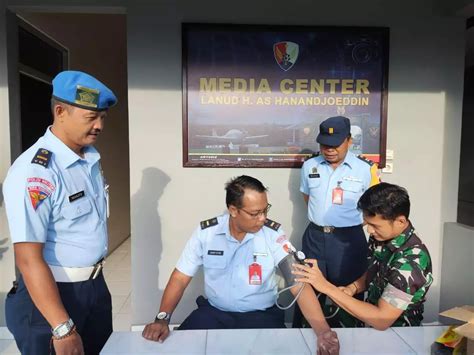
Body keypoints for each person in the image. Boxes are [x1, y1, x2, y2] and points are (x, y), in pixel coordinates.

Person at [142, 175, 339, 354]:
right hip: (215, 313)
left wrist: (323, 331)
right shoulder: (206, 233)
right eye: (255, 213)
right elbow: (180, 278)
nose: (262, 219)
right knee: (175, 349)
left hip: (260, 317)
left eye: (265, 210)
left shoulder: (273, 235)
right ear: (233, 210)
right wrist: (162, 319)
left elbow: (298, 284)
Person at [3, 70, 117, 355]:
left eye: (103, 117)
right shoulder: (36, 171)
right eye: (91, 118)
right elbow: (27, 259)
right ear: (60, 111)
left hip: (93, 288)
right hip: (54, 298)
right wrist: (62, 326)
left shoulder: (88, 159)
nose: (99, 125)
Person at [292, 183, 433, 329]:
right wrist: (352, 288)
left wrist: (326, 287)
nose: (369, 230)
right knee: (312, 322)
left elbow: (382, 320)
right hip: (369, 321)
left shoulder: (411, 261)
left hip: (396, 333)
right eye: (367, 223)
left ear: (400, 221)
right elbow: (375, 270)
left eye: (375, 225)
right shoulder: (382, 237)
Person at [295, 116, 380, 326]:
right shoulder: (309, 166)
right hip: (314, 238)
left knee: (346, 294)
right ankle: (305, 336)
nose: (329, 149)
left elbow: (374, 207)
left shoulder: (366, 169)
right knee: (308, 290)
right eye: (324, 144)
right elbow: (308, 199)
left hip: (348, 241)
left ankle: (347, 338)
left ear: (349, 141)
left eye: (335, 144)